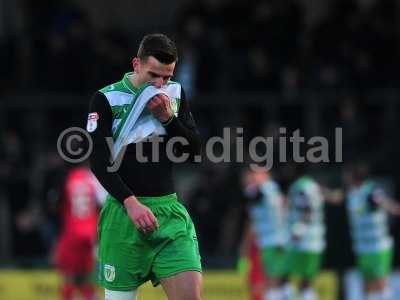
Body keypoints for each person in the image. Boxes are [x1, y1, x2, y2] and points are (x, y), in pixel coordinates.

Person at [87, 33, 202, 300]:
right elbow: (99, 162)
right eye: (154, 75)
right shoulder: (106, 100)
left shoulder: (175, 95)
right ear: (136, 64)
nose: (161, 84)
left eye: (168, 77)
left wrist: (168, 119)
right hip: (123, 216)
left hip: (168, 215)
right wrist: (130, 201)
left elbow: (194, 152)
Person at [344, 161, 400, 300]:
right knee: (366, 284)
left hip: (377, 246)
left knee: (381, 282)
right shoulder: (352, 193)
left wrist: (395, 208)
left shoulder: (371, 190)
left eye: (347, 174)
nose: (345, 177)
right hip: (362, 248)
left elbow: (384, 202)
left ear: (354, 176)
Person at [240, 167, 292, 300]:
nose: (249, 178)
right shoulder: (274, 190)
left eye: (253, 174)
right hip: (281, 240)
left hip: (271, 241)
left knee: (271, 282)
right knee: (282, 282)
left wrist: (244, 249)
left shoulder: (260, 190)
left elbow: (252, 224)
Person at [54, 165, 103, 300]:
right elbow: (102, 203)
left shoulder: (67, 178)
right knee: (87, 278)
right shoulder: (93, 178)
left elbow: (56, 204)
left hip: (72, 233)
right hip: (90, 234)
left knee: (68, 277)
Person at [287, 174, 325, 300]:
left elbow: (307, 210)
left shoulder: (301, 187)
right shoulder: (315, 186)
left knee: (296, 279)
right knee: (307, 281)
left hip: (303, 242)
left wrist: (298, 231)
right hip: (316, 241)